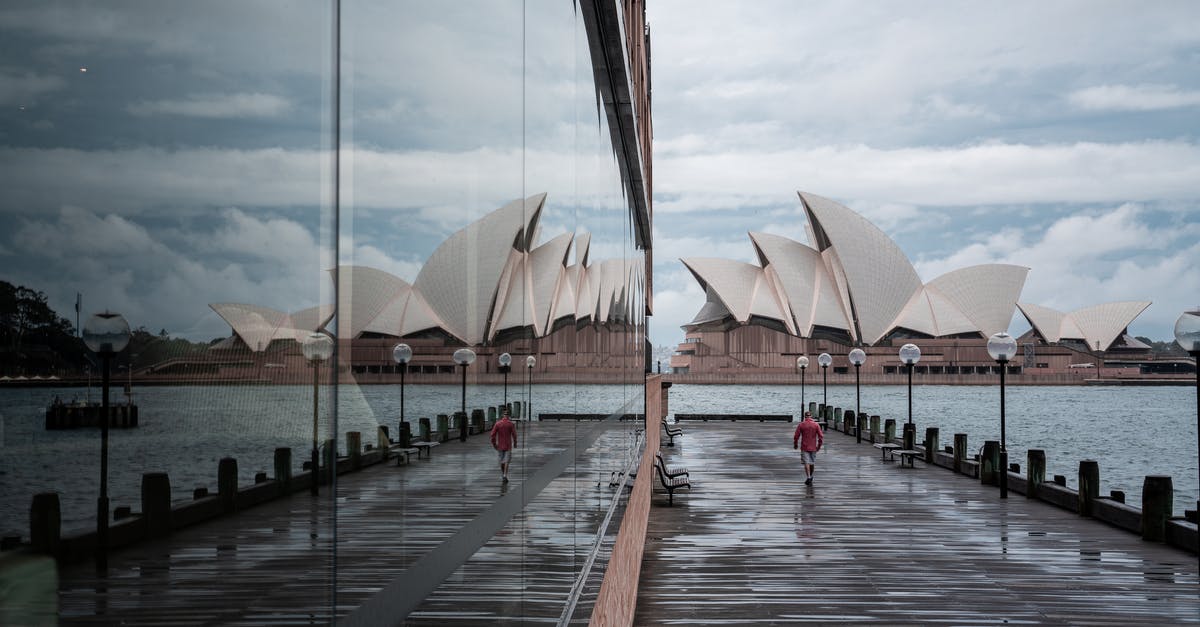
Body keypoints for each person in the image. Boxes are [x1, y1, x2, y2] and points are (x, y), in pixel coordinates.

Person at [793, 411, 824, 485]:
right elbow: (821, 437)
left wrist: (795, 444)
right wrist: (819, 446)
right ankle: (811, 476)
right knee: (812, 462)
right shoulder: (816, 425)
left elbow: (796, 436)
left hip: (804, 446)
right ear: (811, 416)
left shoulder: (801, 425)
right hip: (813, 447)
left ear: (804, 416)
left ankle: (809, 477)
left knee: (806, 462)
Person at [490, 408, 518, 482]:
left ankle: (504, 475)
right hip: (508, 445)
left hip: (500, 445)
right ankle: (505, 475)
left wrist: (494, 444)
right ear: (508, 416)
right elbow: (514, 435)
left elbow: (492, 435)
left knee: (502, 461)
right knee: (506, 461)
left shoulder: (498, 424)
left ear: (502, 415)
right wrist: (515, 443)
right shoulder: (511, 424)